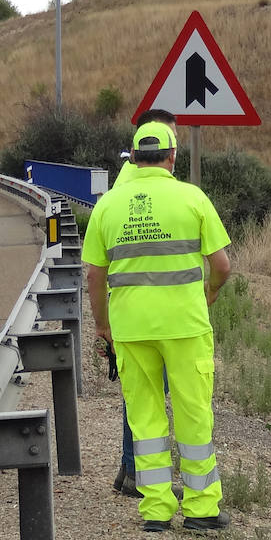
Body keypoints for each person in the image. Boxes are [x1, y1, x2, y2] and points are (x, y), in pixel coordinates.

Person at [83, 120, 232, 532]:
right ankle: (202, 510)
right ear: (171, 157)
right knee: (193, 414)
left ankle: (155, 511)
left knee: (145, 419)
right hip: (185, 325)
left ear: (132, 157)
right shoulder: (192, 198)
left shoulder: (108, 206)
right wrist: (211, 293)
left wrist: (102, 327)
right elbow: (221, 265)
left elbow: (94, 275)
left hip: (131, 329)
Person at [108, 109, 178, 499]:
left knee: (138, 393)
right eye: (171, 139)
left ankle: (128, 467)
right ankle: (136, 471)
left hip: (130, 305)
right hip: (151, 308)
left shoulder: (127, 179)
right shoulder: (143, 184)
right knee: (147, 394)